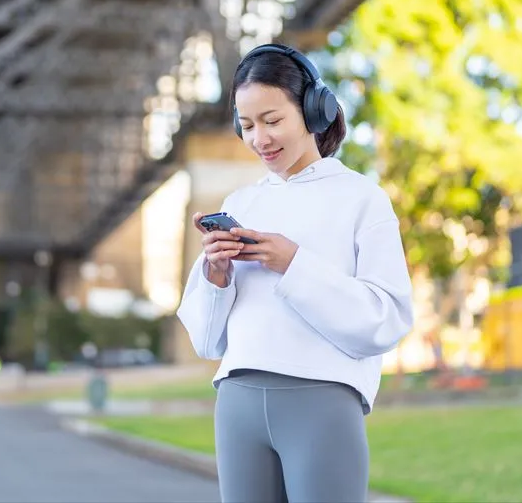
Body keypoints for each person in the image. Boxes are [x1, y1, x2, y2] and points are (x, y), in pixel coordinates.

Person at [177, 43, 414, 503]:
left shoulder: (362, 198)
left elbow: (386, 319)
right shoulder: (240, 204)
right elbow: (207, 342)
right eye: (246, 126)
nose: (259, 139)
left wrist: (292, 262)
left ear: (313, 109)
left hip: (322, 402)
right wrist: (217, 276)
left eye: (272, 120)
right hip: (237, 402)